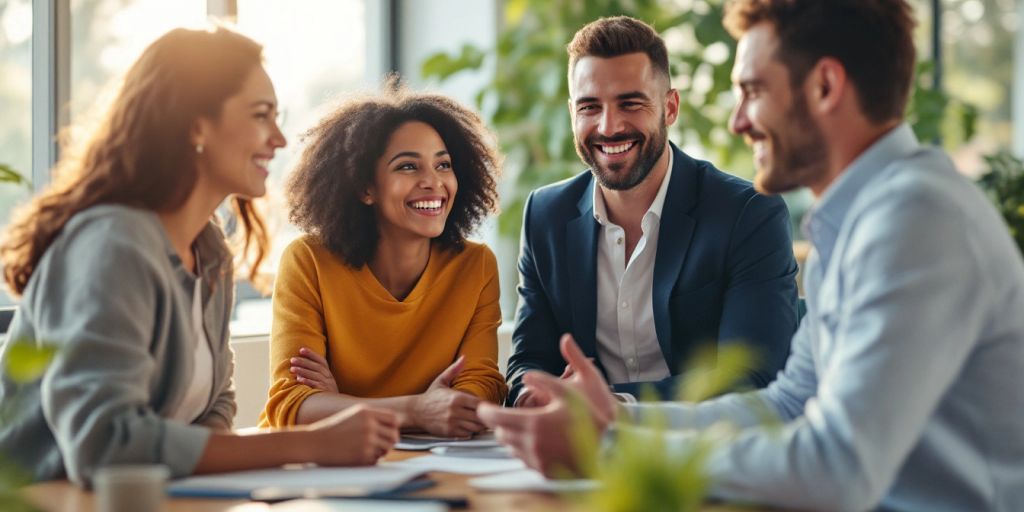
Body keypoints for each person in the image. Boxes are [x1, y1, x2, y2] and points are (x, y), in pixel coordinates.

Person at [478, 1, 1024, 510]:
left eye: (753, 91)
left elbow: (838, 466)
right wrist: (617, 420)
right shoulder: (858, 220)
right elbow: (785, 404)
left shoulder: (916, 220)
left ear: (825, 86)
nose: (738, 121)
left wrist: (609, 445)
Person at [0, 27, 398, 487]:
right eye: (261, 116)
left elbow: (215, 406)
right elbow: (104, 443)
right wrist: (310, 443)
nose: (280, 139)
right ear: (195, 126)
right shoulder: (113, 244)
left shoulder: (208, 250)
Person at [507, 16, 798, 406]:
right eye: (589, 107)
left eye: (630, 103)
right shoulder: (545, 215)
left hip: (706, 450)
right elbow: (529, 361)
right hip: (578, 450)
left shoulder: (748, 213)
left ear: (670, 107)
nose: (608, 127)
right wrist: (532, 395)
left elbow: (753, 378)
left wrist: (608, 403)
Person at [259, 82, 507, 438]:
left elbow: (482, 387)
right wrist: (417, 410)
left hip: (429, 463)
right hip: (313, 467)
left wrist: (339, 403)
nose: (432, 182)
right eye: (408, 167)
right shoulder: (308, 261)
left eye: (443, 165)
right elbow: (292, 405)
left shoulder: (476, 266)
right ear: (365, 188)